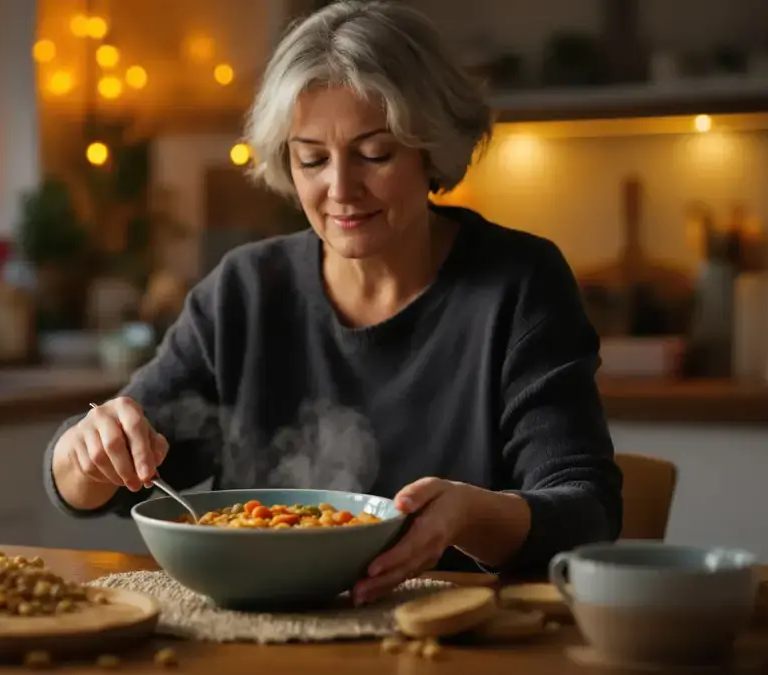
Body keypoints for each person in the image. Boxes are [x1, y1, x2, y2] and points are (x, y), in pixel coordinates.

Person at [44, 0, 623, 604]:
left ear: (431, 147)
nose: (341, 191)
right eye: (313, 159)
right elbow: (115, 475)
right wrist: (84, 453)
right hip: (255, 637)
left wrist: (472, 516)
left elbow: (588, 514)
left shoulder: (518, 283)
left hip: (454, 639)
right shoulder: (246, 290)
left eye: (375, 154)